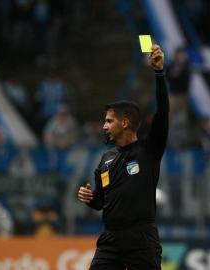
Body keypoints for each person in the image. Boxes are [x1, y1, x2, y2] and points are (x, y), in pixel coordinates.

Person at [77, 44, 168, 270]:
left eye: (109, 121)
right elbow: (100, 203)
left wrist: (159, 74)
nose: (104, 126)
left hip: (141, 239)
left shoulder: (149, 150)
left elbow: (163, 113)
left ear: (124, 122)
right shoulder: (106, 160)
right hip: (110, 240)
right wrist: (90, 198)